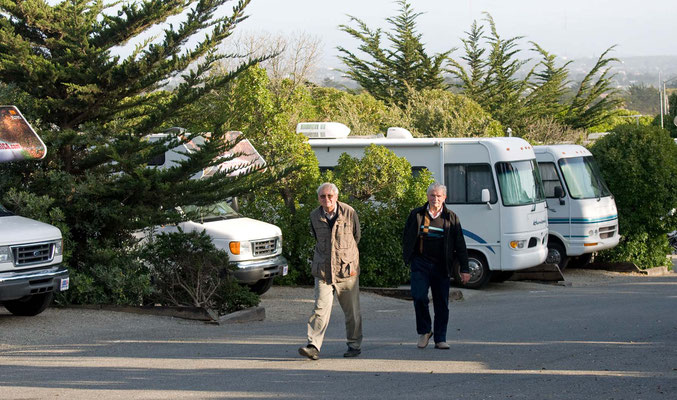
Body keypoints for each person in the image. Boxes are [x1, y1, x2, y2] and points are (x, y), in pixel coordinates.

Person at [402, 182, 470, 350]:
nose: (435, 199)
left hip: (442, 265)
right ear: (427, 197)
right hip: (421, 263)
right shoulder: (417, 214)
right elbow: (406, 236)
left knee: (441, 303)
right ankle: (425, 331)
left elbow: (460, 244)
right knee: (419, 297)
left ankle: (440, 338)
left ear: (444, 198)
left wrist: (465, 268)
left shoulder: (451, 217)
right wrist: (409, 256)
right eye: (432, 195)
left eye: (439, 196)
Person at [298, 182, 363, 360]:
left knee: (352, 311)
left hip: (346, 270)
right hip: (323, 270)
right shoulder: (314, 215)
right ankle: (313, 346)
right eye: (322, 196)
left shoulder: (349, 212)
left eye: (329, 196)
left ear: (336, 197)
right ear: (318, 198)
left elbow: (357, 236)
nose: (326, 199)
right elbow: (316, 237)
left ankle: (354, 344)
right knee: (319, 309)